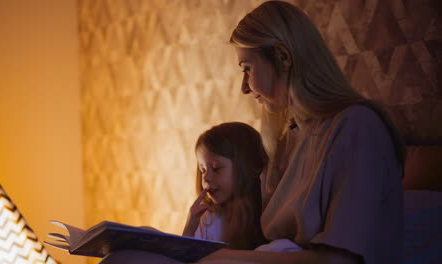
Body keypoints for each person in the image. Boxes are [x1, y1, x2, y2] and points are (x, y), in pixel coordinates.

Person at [101, 1, 405, 263]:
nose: (244, 88)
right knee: (123, 258)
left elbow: (338, 260)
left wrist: (220, 257)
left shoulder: (357, 128)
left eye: (247, 68)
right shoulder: (289, 140)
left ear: (283, 58)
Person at [182, 122, 268, 250]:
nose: (205, 177)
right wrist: (189, 229)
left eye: (216, 168)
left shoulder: (269, 215)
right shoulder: (208, 220)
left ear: (246, 166)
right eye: (203, 170)